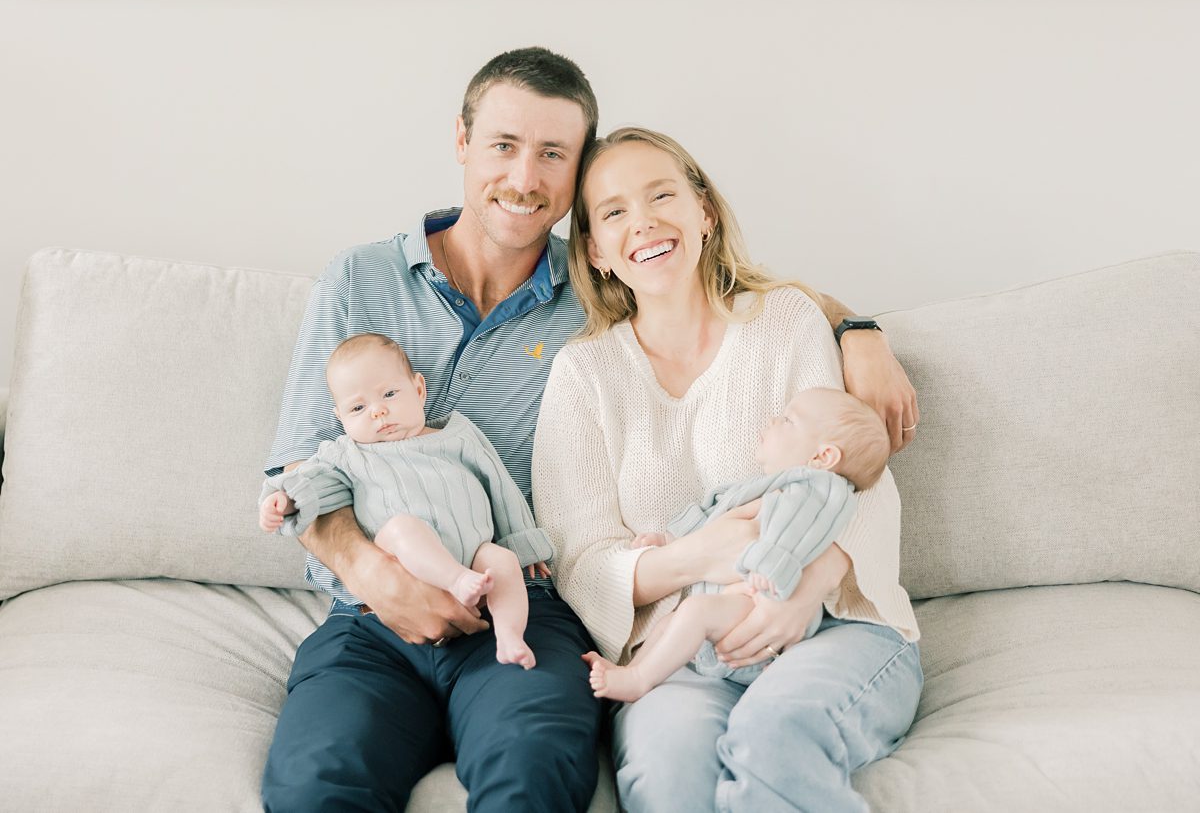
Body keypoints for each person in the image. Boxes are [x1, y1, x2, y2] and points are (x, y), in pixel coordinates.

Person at [260, 47, 917, 812]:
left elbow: (747, 296)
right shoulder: (368, 282)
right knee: (316, 784)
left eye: (552, 155)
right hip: (376, 616)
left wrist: (860, 328)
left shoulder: (593, 292)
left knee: (538, 772)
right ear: (463, 142)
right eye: (504, 145)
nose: (524, 177)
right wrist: (378, 577)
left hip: (526, 605)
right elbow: (296, 472)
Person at [532, 126, 924, 813]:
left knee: (775, 735)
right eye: (615, 211)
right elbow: (580, 561)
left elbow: (853, 477)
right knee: (669, 780)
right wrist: (694, 556)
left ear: (704, 212)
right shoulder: (582, 374)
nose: (644, 221)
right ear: (594, 250)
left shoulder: (785, 322)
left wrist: (808, 588)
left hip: (828, 625)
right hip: (682, 652)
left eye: (662, 195)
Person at [259, 333, 553, 669]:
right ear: (340, 418)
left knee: (502, 560)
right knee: (403, 528)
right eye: (358, 407)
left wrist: (526, 544)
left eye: (389, 394)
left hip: (474, 555)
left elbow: (501, 488)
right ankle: (454, 580)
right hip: (403, 565)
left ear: (418, 390)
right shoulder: (348, 455)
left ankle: (510, 637)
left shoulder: (458, 436)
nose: (378, 411)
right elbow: (318, 486)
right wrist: (287, 500)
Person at [583, 386, 891, 702]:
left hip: (764, 600)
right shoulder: (769, 487)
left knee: (693, 613)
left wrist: (769, 566)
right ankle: (633, 671)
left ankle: (638, 679)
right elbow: (717, 514)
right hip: (737, 607)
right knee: (669, 623)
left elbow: (794, 530)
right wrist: (669, 540)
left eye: (787, 420)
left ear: (823, 456)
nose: (772, 420)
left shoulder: (819, 488)